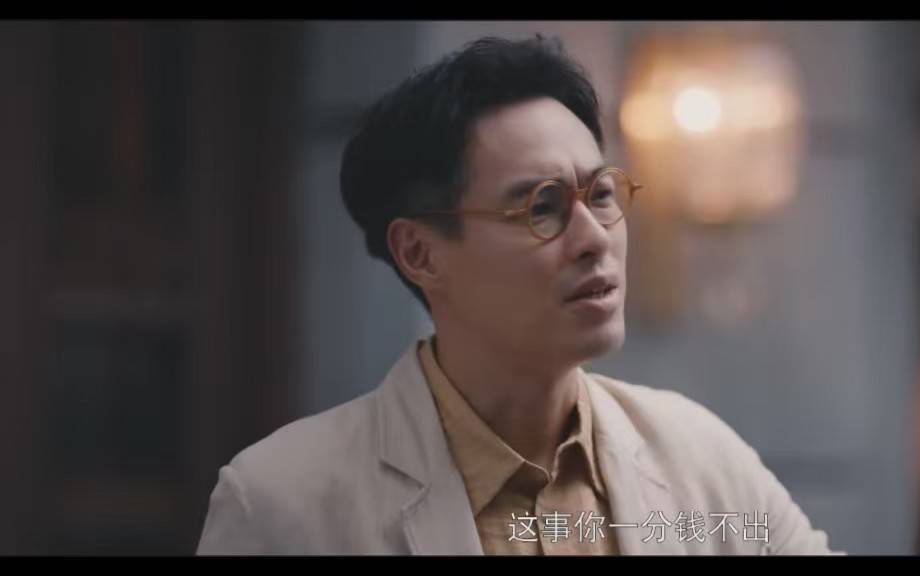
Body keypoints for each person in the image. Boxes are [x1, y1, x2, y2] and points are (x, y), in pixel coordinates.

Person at [197, 35, 837, 555]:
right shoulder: (283, 504)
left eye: (601, 194)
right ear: (420, 253)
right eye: (542, 207)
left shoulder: (702, 458)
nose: (594, 239)